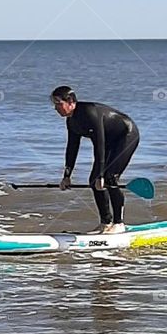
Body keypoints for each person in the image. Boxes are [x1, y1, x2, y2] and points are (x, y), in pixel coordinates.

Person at [50, 86, 140, 233]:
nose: (56, 108)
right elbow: (72, 148)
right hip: (110, 142)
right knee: (94, 181)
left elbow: (99, 145)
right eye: (54, 104)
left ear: (71, 101)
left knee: (110, 178)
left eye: (58, 104)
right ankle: (106, 222)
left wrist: (102, 175)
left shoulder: (89, 113)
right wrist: (67, 176)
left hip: (127, 135)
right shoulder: (71, 122)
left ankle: (119, 223)